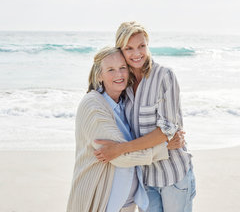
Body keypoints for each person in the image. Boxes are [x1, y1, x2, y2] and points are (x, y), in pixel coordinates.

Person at [67, 46, 184, 212]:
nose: (119, 75)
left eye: (122, 68)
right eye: (110, 70)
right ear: (99, 75)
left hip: (127, 204)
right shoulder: (93, 105)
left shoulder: (125, 103)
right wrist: (165, 147)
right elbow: (118, 157)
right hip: (101, 201)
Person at [94, 22, 196, 212]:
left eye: (142, 46)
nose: (137, 53)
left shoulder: (164, 76)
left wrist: (120, 149)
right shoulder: (123, 83)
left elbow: (165, 131)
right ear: (121, 50)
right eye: (129, 48)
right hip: (145, 180)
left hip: (173, 176)